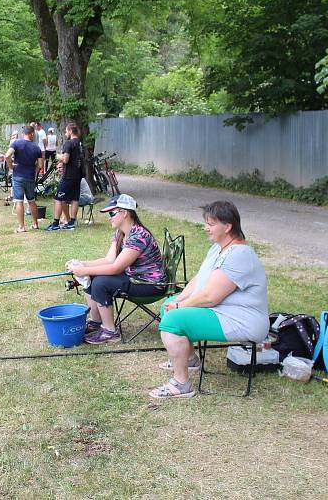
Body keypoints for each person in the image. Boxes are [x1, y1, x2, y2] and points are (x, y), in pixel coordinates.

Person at [149, 201, 268, 399]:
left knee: (172, 320)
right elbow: (198, 280)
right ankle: (189, 359)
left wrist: (179, 306)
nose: (206, 228)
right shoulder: (218, 248)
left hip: (242, 319)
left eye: (211, 224)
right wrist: (178, 299)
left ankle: (181, 384)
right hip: (223, 311)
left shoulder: (239, 254)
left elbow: (210, 297)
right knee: (166, 307)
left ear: (227, 226)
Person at [66, 194, 166, 344]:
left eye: (112, 213)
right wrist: (82, 264)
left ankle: (110, 332)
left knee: (101, 283)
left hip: (150, 285)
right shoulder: (121, 232)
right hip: (135, 278)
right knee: (93, 277)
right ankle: (96, 322)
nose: (109, 217)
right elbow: (108, 260)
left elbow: (115, 267)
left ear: (124, 213)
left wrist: (85, 271)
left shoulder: (138, 236)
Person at [5, 124, 43, 233]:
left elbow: (7, 156)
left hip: (18, 176)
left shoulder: (16, 143)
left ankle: (21, 227)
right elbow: (40, 165)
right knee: (31, 201)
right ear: (32, 134)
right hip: (30, 177)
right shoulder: (36, 147)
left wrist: (11, 166)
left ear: (23, 134)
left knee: (19, 201)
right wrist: (34, 170)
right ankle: (35, 224)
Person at [46, 123, 83, 231]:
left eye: (66, 131)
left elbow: (65, 159)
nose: (66, 133)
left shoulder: (69, 143)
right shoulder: (80, 144)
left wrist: (58, 156)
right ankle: (71, 222)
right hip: (78, 175)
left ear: (71, 131)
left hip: (68, 176)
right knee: (75, 199)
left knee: (58, 198)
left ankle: (56, 223)